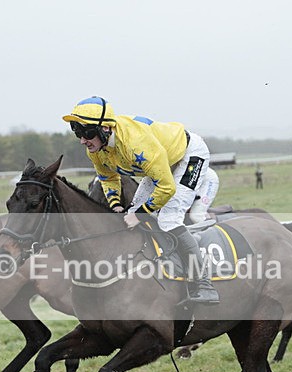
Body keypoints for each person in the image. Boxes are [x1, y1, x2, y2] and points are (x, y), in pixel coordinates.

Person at [62, 96, 218, 304]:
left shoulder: (135, 145)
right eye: (77, 132)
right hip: (163, 158)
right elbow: (108, 178)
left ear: (105, 129)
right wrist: (116, 205)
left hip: (189, 155)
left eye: (86, 133)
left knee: (168, 219)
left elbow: (166, 187)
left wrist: (140, 214)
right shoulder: (96, 150)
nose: (82, 140)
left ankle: (204, 284)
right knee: (131, 212)